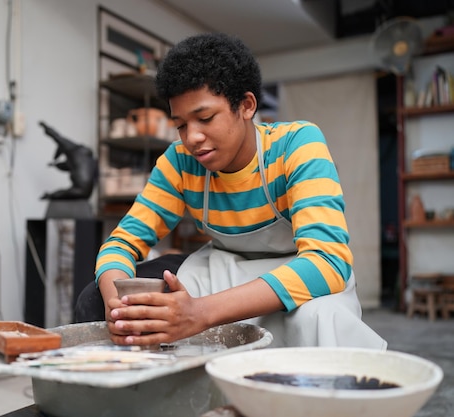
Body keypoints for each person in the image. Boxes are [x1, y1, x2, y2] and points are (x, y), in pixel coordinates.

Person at [76, 32, 386, 349]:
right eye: (181, 124)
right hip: (222, 269)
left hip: (299, 270)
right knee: (94, 299)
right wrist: (118, 306)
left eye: (205, 117)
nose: (192, 137)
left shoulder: (297, 145)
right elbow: (122, 243)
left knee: (321, 318)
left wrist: (201, 313)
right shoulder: (181, 162)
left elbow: (327, 262)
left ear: (247, 105)